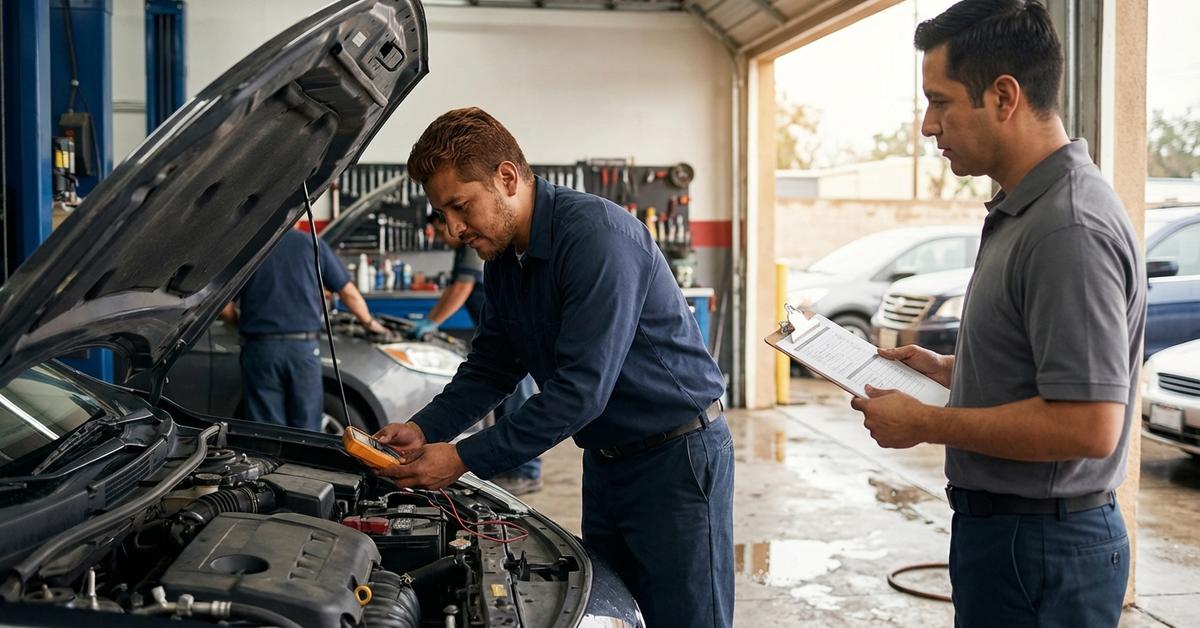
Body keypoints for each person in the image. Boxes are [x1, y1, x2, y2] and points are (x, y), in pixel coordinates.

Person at [374, 107, 733, 628]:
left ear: (506, 177)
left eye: (460, 206)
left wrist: (461, 457)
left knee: (688, 619)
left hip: (677, 460)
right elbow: (493, 367)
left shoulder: (596, 239)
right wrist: (423, 428)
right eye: (442, 212)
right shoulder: (504, 258)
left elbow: (579, 392)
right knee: (618, 614)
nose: (453, 229)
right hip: (608, 462)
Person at [849, 2, 1146, 626]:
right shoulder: (1028, 209)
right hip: (1016, 539)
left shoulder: (1069, 226)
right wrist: (951, 370)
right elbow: (1046, 369)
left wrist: (928, 424)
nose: (929, 126)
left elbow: (1088, 424)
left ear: (1004, 96)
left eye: (940, 101)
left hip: (1041, 549)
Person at [416, 210, 543, 495]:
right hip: (503, 339)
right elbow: (454, 289)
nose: (449, 229)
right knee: (505, 403)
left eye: (458, 206)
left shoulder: (477, 246)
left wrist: (432, 321)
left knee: (518, 403)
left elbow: (461, 288)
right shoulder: (476, 253)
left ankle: (526, 473)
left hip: (515, 342)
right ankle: (515, 470)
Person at [221, 227, 386, 431]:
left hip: (260, 350)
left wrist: (238, 321)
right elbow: (349, 294)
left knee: (265, 429)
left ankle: (271, 461)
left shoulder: (248, 248)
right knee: (307, 427)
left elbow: (224, 306)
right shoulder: (312, 244)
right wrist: (371, 324)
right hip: (302, 350)